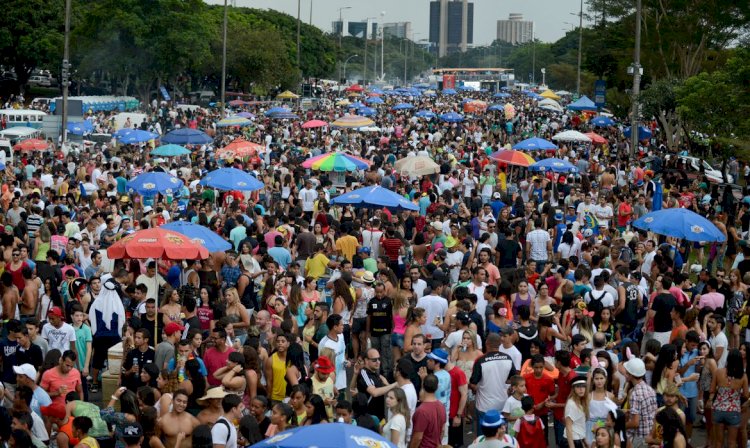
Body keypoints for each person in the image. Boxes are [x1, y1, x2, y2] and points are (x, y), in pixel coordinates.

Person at [470, 333, 517, 430]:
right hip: (503, 405)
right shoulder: (508, 358)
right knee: (501, 436)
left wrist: (475, 389)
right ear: (500, 343)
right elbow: (514, 379)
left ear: (486, 343)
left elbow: (473, 383)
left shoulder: (480, 360)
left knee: (484, 438)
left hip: (484, 406)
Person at [409, 374, 446, 448]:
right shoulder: (441, 406)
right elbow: (442, 430)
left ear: (423, 385)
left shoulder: (421, 411)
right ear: (437, 387)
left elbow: (418, 437)